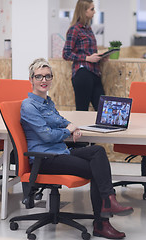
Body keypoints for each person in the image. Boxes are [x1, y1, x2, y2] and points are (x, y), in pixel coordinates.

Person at [21, 58, 133, 239]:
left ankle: (109, 202)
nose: (44, 80)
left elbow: (59, 120)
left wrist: (71, 125)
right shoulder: (29, 106)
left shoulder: (48, 103)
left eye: (48, 76)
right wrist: (67, 130)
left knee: (97, 152)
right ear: (31, 79)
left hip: (59, 152)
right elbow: (46, 136)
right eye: (39, 76)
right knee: (98, 170)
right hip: (45, 158)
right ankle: (102, 222)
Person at [63, 0, 105, 111]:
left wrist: (100, 56)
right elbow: (66, 54)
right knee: (82, 111)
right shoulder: (74, 30)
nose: (94, 12)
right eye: (92, 9)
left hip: (94, 73)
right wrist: (87, 58)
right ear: (83, 11)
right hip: (82, 73)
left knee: (103, 110)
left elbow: (88, 51)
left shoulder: (88, 29)